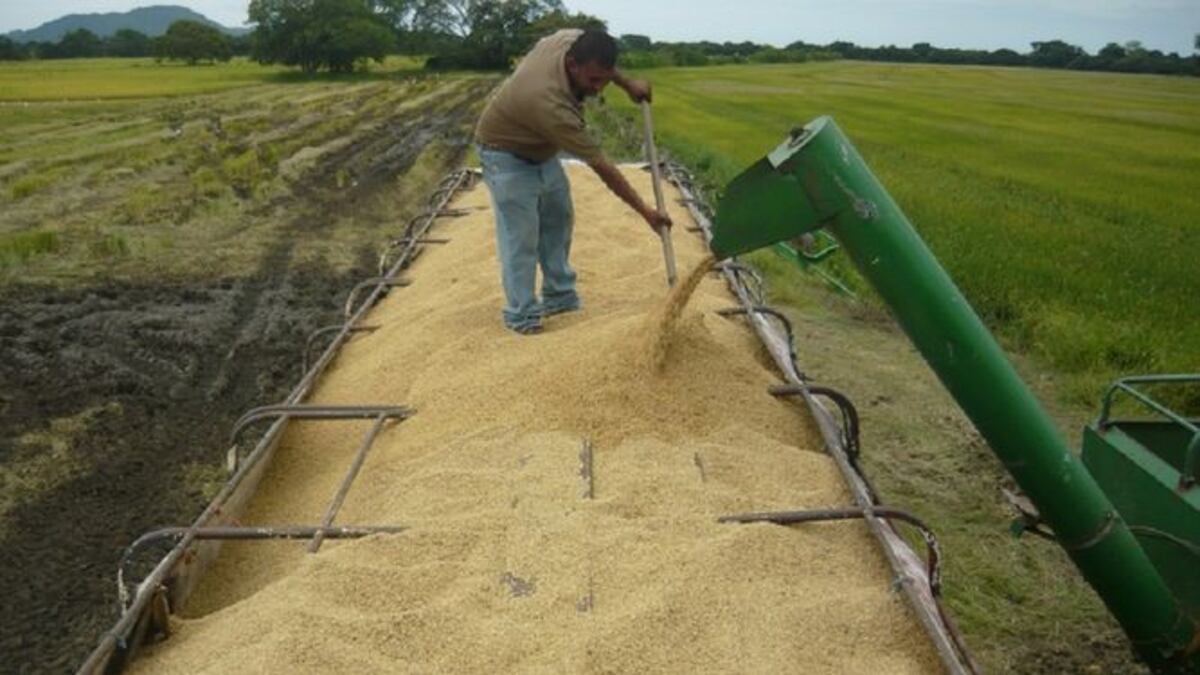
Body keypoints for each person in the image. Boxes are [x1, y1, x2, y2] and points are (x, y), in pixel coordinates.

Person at [475, 29, 672, 335]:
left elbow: (601, 64)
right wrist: (646, 212)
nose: (598, 88)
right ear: (571, 64)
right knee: (522, 236)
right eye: (593, 81)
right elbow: (603, 167)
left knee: (558, 218)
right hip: (504, 154)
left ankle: (560, 297)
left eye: (604, 79)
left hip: (541, 150)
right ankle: (523, 317)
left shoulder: (569, 40)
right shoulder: (549, 103)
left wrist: (626, 84)